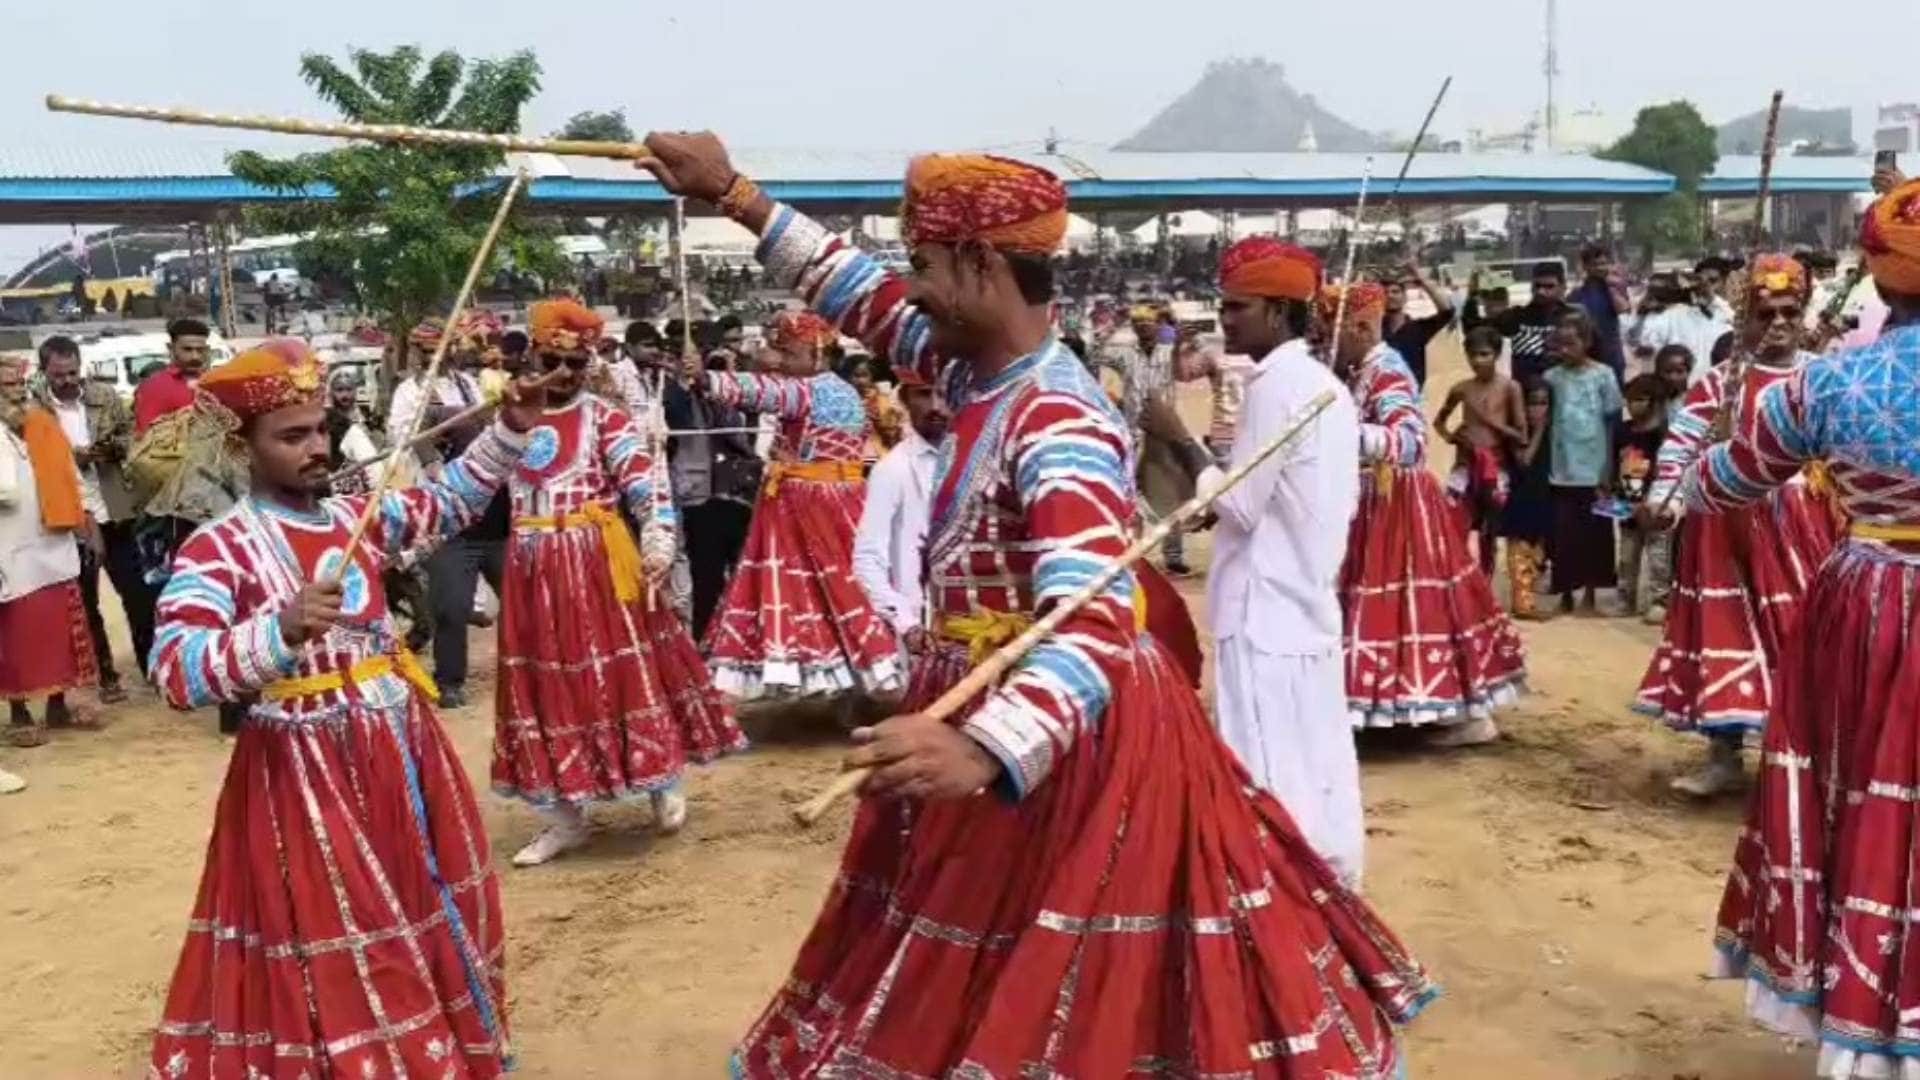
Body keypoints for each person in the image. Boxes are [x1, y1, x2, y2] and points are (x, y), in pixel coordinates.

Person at [642, 132, 1432, 1078]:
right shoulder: (974, 367)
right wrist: (734, 194)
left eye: (926, 265)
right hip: (991, 712)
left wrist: (983, 745)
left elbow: (1095, 616)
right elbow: (863, 297)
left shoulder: (1054, 417)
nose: (914, 288)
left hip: (1067, 746)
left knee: (1068, 975)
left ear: (980, 264)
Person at [145, 338, 535, 1078]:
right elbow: (175, 670)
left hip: (400, 751)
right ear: (242, 447)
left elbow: (445, 503)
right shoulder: (217, 548)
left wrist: (511, 428)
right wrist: (278, 631)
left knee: (426, 901)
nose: (316, 448)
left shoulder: (355, 517)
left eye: (319, 429)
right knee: (347, 930)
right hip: (302, 773)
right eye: (291, 437)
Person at [1690, 181, 1920, 1075]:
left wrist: (1701, 457)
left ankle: (1861, 1020)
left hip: (1866, 600)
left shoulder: (1830, 381)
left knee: (1859, 794)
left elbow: (1729, 480)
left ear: (1875, 276)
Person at [492, 299, 743, 866]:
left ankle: (660, 783)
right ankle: (564, 817)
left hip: (596, 566)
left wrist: (658, 541)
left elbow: (647, 485)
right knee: (540, 687)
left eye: (575, 365)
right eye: (552, 360)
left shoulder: (605, 418)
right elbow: (473, 483)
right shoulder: (509, 417)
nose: (563, 374)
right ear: (533, 356)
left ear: (591, 365)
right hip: (530, 567)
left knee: (625, 672)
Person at [1633, 254, 1841, 797]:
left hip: (1805, 532)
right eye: (1764, 312)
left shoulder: (1824, 379)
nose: (1777, 323)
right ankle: (1724, 755)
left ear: (1804, 313)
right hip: (1722, 533)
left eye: (1789, 311)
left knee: (1805, 640)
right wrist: (1665, 503)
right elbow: (1679, 449)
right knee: (1726, 632)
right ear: (1742, 319)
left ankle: (1809, 762)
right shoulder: (1720, 384)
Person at [1208, 236, 1366, 881]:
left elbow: (1240, 505)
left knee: (1268, 768)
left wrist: (1182, 451)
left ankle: (1287, 903)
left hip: (1264, 606)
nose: (1224, 320)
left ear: (1277, 312)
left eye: (1236, 307)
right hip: (1304, 600)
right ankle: (1331, 890)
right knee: (1319, 763)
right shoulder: (1323, 384)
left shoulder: (1278, 385)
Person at [1331, 281, 1527, 745]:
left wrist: (1339, 433)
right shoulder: (1364, 369)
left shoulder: (1388, 371)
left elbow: (1410, 440)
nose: (1327, 345)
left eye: (1331, 334)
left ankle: (1456, 713)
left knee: (1412, 606)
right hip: (1376, 501)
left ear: (1359, 328)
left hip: (1397, 502)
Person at [689, 308, 902, 699]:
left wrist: (707, 379)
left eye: (790, 355)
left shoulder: (808, 390)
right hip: (847, 498)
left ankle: (823, 670)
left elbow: (762, 391)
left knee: (801, 585)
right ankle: (864, 668)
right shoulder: (848, 393)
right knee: (845, 583)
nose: (783, 363)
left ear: (817, 354)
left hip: (804, 504)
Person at [39, 334, 146, 698]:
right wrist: (70, 457)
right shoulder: (35, 408)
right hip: (69, 515)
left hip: (114, 506)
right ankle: (106, 674)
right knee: (86, 601)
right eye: (59, 375)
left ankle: (151, 667)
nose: (67, 381)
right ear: (45, 373)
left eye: (72, 372)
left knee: (135, 593)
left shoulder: (105, 396)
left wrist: (107, 449)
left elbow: (132, 437)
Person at [0, 355, 99, 747]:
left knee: (59, 629)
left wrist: (88, 523)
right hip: (7, 550)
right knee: (12, 636)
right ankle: (19, 712)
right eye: (7, 388)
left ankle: (58, 704)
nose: (16, 393)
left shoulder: (43, 425)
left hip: (52, 545)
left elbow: (73, 479)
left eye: (20, 386)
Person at [851, 368, 945, 663]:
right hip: (926, 632)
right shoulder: (893, 469)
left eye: (942, 393)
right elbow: (867, 558)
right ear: (904, 399)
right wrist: (906, 623)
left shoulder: (982, 459)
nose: (935, 406)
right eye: (923, 394)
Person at [662, 349, 759, 637]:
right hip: (701, 499)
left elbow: (741, 437)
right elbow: (678, 418)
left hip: (741, 496)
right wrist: (684, 382)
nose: (725, 377)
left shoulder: (740, 401)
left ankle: (742, 640)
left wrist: (725, 396)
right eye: (718, 370)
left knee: (744, 576)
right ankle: (703, 639)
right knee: (706, 579)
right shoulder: (681, 399)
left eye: (730, 371)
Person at [1541, 307, 1623, 615]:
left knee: (1596, 533)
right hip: (1561, 470)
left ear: (1586, 342)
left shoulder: (1603, 375)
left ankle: (1590, 593)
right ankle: (1565, 593)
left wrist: (1609, 469)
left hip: (1596, 470)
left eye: (1571, 343)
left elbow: (1612, 422)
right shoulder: (1552, 378)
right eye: (1560, 344)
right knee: (1563, 534)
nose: (1565, 350)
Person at [1436, 325, 1526, 576]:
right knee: (1455, 518)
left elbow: (1521, 434)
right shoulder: (1461, 389)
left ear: (1496, 354)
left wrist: (1493, 423)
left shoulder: (1510, 388)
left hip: (1496, 466)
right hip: (1465, 463)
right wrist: (1452, 437)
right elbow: (1439, 421)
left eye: (1484, 354)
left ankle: (1485, 578)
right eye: (1472, 355)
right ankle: (1461, 576)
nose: (1478, 361)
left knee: (1491, 527)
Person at [1464, 260, 1575, 383]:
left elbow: (1595, 357)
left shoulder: (1575, 318)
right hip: (1524, 397)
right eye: (1537, 286)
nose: (1541, 291)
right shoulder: (1517, 317)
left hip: (1567, 395)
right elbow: (1472, 328)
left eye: (1549, 286)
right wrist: (1472, 296)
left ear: (1563, 287)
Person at [1613, 373, 1668, 615]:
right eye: (1630, 399)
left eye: (1640, 399)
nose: (1633, 404)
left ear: (1654, 401)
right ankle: (1625, 599)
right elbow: (1615, 463)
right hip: (1626, 502)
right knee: (1626, 555)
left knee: (1658, 556)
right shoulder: (1622, 431)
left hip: (1655, 504)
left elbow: (1664, 470)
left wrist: (1650, 501)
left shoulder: (1662, 434)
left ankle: (1660, 601)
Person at [1501, 379, 1556, 619]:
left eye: (1543, 403)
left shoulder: (1554, 431)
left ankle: (1527, 601)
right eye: (1532, 403)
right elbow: (1524, 461)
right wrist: (1540, 430)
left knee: (1536, 553)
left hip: (1541, 497)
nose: (1537, 410)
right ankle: (1522, 604)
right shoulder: (1514, 431)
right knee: (1520, 553)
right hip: (1521, 499)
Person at [1630, 268, 1732, 384]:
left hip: (1679, 387)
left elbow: (1646, 352)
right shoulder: (1714, 315)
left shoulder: (1659, 318)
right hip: (1707, 385)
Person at [1380, 259, 1456, 387]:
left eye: (1395, 292)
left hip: (1413, 395)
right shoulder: (1374, 330)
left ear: (1405, 297)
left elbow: (1446, 312)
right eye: (1385, 293)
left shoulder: (1419, 329)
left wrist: (1422, 279)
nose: (1390, 296)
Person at [133, 318, 211, 434]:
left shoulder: (213, 382)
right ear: (171, 348)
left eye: (200, 350)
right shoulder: (154, 387)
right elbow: (146, 436)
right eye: (187, 349)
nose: (195, 356)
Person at [1568, 242, 1631, 382]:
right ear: (1586, 266)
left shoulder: (1616, 289)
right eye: (1596, 264)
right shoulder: (1577, 294)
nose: (1601, 268)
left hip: (1612, 355)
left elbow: (1623, 309)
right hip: (1587, 356)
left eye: (1605, 263)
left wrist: (1610, 286)